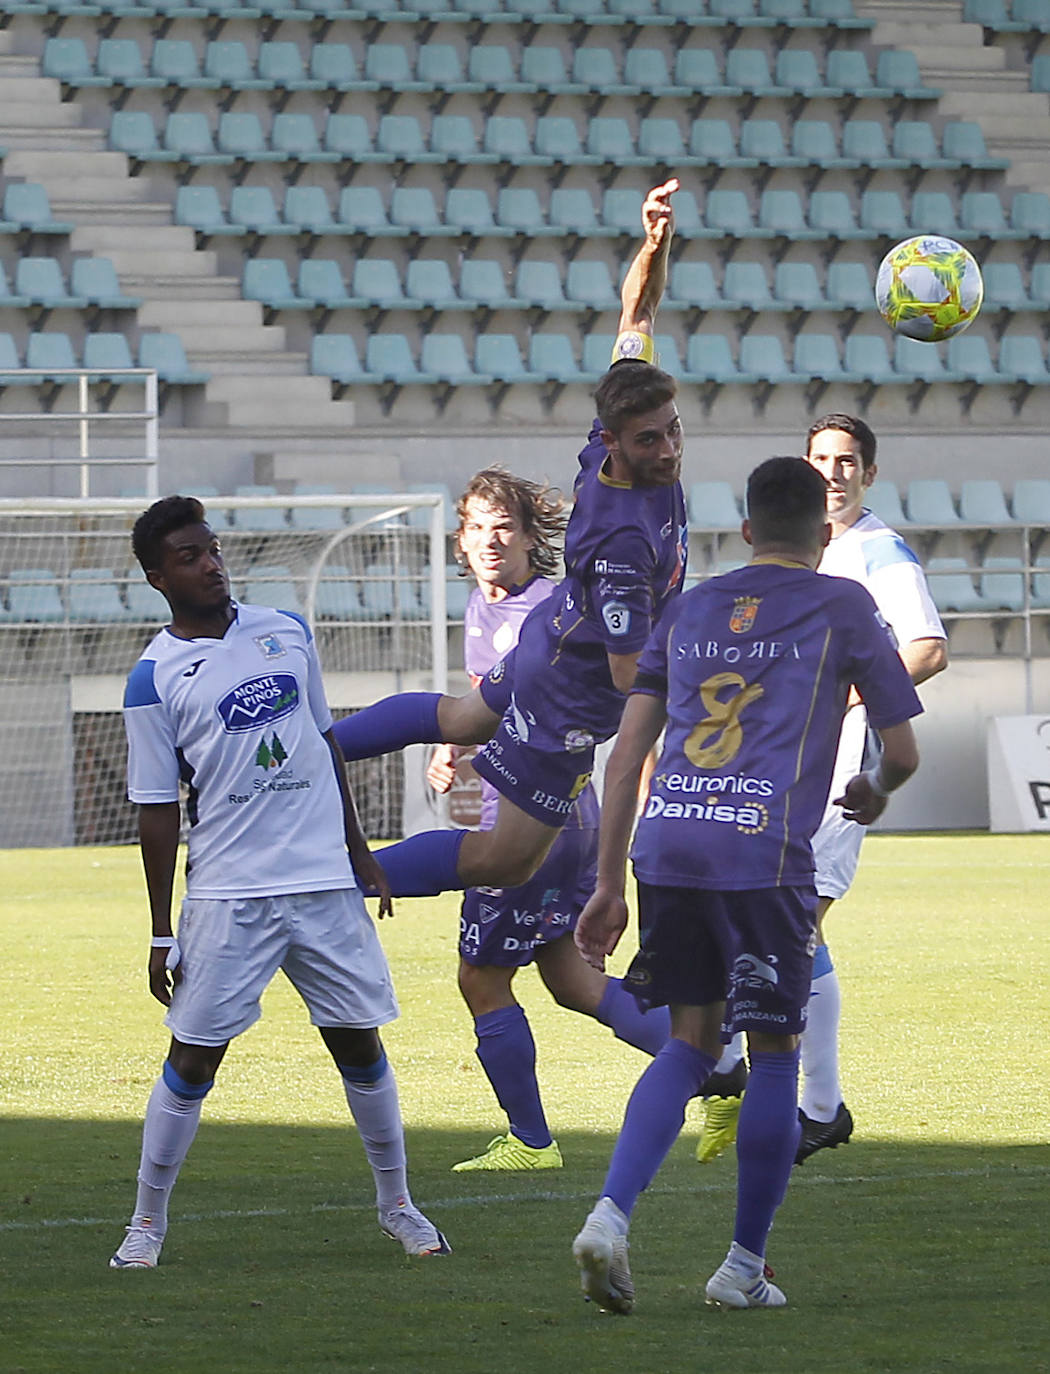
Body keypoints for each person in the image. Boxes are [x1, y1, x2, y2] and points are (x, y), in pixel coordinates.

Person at [570, 456, 921, 1313]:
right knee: (773, 1055)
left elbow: (625, 759)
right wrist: (874, 790)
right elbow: (902, 749)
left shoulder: (688, 608)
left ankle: (610, 1217)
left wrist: (608, 882)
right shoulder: (844, 603)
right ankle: (740, 1269)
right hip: (762, 858)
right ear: (826, 534)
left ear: (747, 531)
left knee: (690, 1045)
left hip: (669, 846)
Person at [111, 495, 449, 1270]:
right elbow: (157, 813)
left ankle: (398, 1205)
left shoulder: (285, 632)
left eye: (214, 548)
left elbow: (321, 743)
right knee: (195, 1058)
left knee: (358, 1044)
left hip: (324, 882)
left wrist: (360, 851)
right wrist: (161, 929)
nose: (211, 564)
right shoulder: (152, 679)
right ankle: (146, 1222)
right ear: (159, 577)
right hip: (230, 893)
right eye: (191, 556)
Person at [331, 179, 687, 899]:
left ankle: (321, 748)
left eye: (675, 430)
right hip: (569, 693)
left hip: (548, 639)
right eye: (652, 441)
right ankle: (328, 879)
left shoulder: (618, 419)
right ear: (615, 443)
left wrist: (655, 244)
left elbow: (637, 310)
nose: (671, 450)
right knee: (502, 861)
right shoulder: (620, 543)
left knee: (462, 716)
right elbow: (629, 677)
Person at [697, 415, 948, 1167]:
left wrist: (848, 695)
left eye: (847, 461)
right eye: (821, 459)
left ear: (868, 474)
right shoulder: (809, 553)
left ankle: (755, 1077)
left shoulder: (878, 553)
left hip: (838, 771)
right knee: (790, 926)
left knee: (792, 923)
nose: (833, 472)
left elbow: (928, 648)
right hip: (778, 763)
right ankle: (810, 1100)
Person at [427, 468, 669, 1171]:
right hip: (561, 812)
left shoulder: (558, 608)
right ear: (461, 541)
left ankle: (532, 1142)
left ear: (535, 537)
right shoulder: (482, 607)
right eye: (476, 526)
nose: (490, 539)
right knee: (570, 981)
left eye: (504, 525)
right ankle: (712, 1062)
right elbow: (491, 697)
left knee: (482, 979)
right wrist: (454, 746)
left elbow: (625, 708)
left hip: (536, 823)